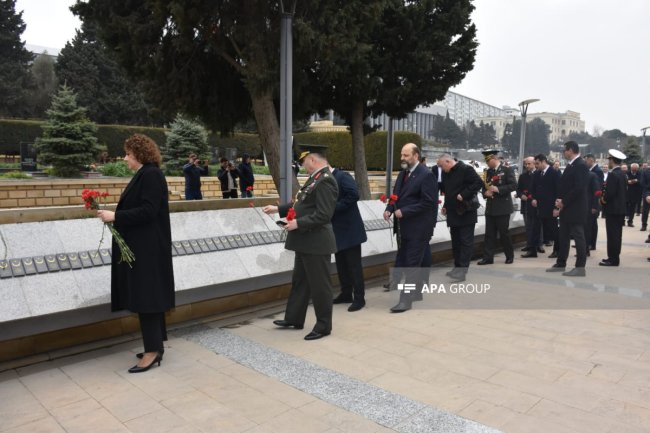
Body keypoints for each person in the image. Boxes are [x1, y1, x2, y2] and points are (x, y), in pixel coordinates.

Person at [96, 134, 174, 373]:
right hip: (145, 247)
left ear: (139, 154)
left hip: (148, 250)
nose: (125, 158)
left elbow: (148, 211)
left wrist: (115, 216)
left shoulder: (151, 175)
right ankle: (156, 346)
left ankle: (152, 352)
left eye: (128, 154)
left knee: (147, 298)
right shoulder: (146, 174)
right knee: (150, 295)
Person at [263, 152, 338, 340]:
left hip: (316, 243)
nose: (303, 166)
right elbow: (302, 203)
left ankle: (323, 326)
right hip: (306, 241)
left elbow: (324, 215)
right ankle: (294, 318)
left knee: (320, 286)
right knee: (300, 282)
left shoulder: (326, 180)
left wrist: (298, 223)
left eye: (304, 162)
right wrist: (278, 209)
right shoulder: (316, 178)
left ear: (313, 160)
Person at [383, 143, 438, 312]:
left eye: (406, 155)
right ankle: (417, 293)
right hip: (404, 227)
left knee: (411, 264)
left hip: (418, 228)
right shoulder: (403, 173)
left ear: (416, 156)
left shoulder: (426, 175)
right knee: (410, 261)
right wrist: (389, 208)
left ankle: (405, 300)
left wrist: (404, 211)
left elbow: (428, 203)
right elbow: (396, 195)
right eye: (402, 155)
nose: (402, 158)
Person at [438, 153, 483, 282]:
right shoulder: (447, 173)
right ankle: (457, 267)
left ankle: (462, 271)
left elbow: (478, 183)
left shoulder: (466, 169)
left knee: (465, 242)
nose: (441, 169)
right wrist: (446, 206)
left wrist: (464, 194)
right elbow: (449, 192)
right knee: (456, 242)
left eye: (442, 166)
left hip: (466, 211)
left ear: (448, 161)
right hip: (453, 212)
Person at [546, 141, 589, 277]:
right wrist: (560, 202)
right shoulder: (572, 165)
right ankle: (561, 263)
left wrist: (563, 202)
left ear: (570, 150)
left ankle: (580, 267)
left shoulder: (580, 165)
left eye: (564, 150)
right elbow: (565, 186)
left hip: (576, 208)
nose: (563, 153)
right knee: (563, 236)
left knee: (578, 237)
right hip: (566, 207)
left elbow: (579, 188)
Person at [330, 165, 367, 312]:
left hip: (350, 230)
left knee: (354, 266)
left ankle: (359, 298)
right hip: (336, 230)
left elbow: (353, 195)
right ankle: (346, 293)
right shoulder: (326, 178)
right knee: (341, 265)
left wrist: (334, 207)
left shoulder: (342, 176)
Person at [478, 150, 516, 265]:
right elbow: (484, 187)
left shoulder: (507, 169)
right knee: (489, 234)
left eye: (488, 161)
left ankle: (509, 256)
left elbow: (513, 185)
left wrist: (498, 189)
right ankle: (488, 258)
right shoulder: (488, 172)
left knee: (504, 234)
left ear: (494, 158)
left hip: (502, 207)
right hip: (490, 207)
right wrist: (485, 193)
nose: (487, 163)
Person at [527, 154, 561, 258]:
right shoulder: (537, 174)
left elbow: (559, 191)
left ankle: (557, 251)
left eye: (537, 163)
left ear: (543, 161)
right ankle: (532, 251)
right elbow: (532, 188)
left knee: (553, 230)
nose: (536, 166)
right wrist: (533, 198)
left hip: (550, 207)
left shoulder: (554, 173)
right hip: (538, 207)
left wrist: (556, 208)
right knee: (535, 229)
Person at [599, 149, 627, 266]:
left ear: (612, 160)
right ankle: (614, 257)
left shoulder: (613, 174)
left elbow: (610, 192)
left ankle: (613, 259)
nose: (608, 162)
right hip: (620, 209)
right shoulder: (622, 174)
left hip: (613, 209)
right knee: (617, 235)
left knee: (612, 235)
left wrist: (603, 199)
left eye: (609, 159)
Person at [584, 154, 604, 250]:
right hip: (588, 202)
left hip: (592, 202)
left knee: (591, 225)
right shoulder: (591, 171)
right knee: (589, 225)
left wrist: (595, 205)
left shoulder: (597, 171)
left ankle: (591, 244)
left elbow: (597, 190)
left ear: (591, 160)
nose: (585, 162)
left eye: (586, 160)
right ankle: (586, 243)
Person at [625, 163, 641, 227]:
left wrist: (631, 181)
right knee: (625, 206)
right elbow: (625, 181)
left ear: (637, 169)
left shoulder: (640, 173)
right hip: (627, 192)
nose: (634, 171)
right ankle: (622, 220)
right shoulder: (627, 173)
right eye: (633, 169)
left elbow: (640, 181)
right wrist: (634, 181)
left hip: (635, 193)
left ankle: (630, 221)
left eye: (635, 169)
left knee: (632, 208)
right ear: (631, 168)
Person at [640, 163, 650, 232]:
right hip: (647, 194)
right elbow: (642, 183)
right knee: (645, 211)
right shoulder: (645, 172)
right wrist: (647, 195)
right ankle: (644, 225)